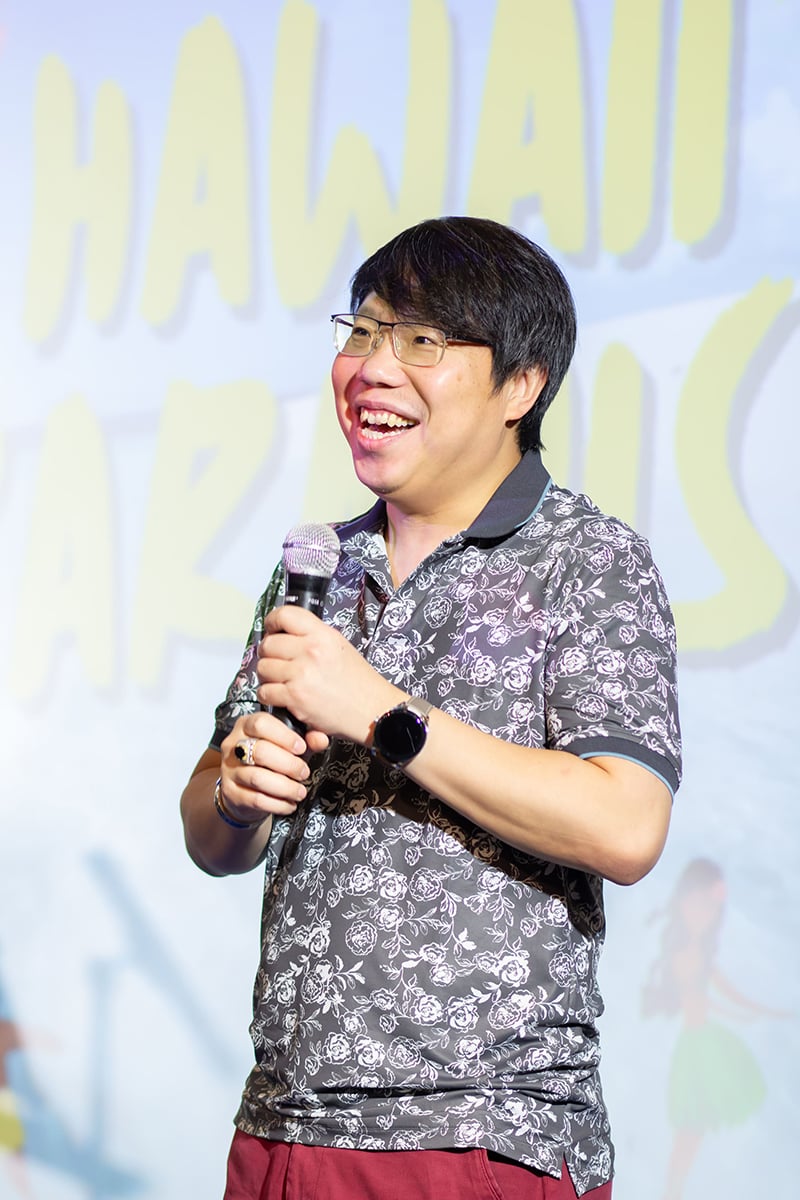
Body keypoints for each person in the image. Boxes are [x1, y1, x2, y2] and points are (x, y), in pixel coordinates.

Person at [180, 216, 682, 1199]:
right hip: (281, 1125)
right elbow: (211, 836)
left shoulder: (586, 560)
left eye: (421, 340)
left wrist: (383, 714)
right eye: (363, 332)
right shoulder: (319, 563)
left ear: (520, 386)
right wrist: (236, 790)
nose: (373, 367)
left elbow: (625, 826)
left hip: (474, 1137)